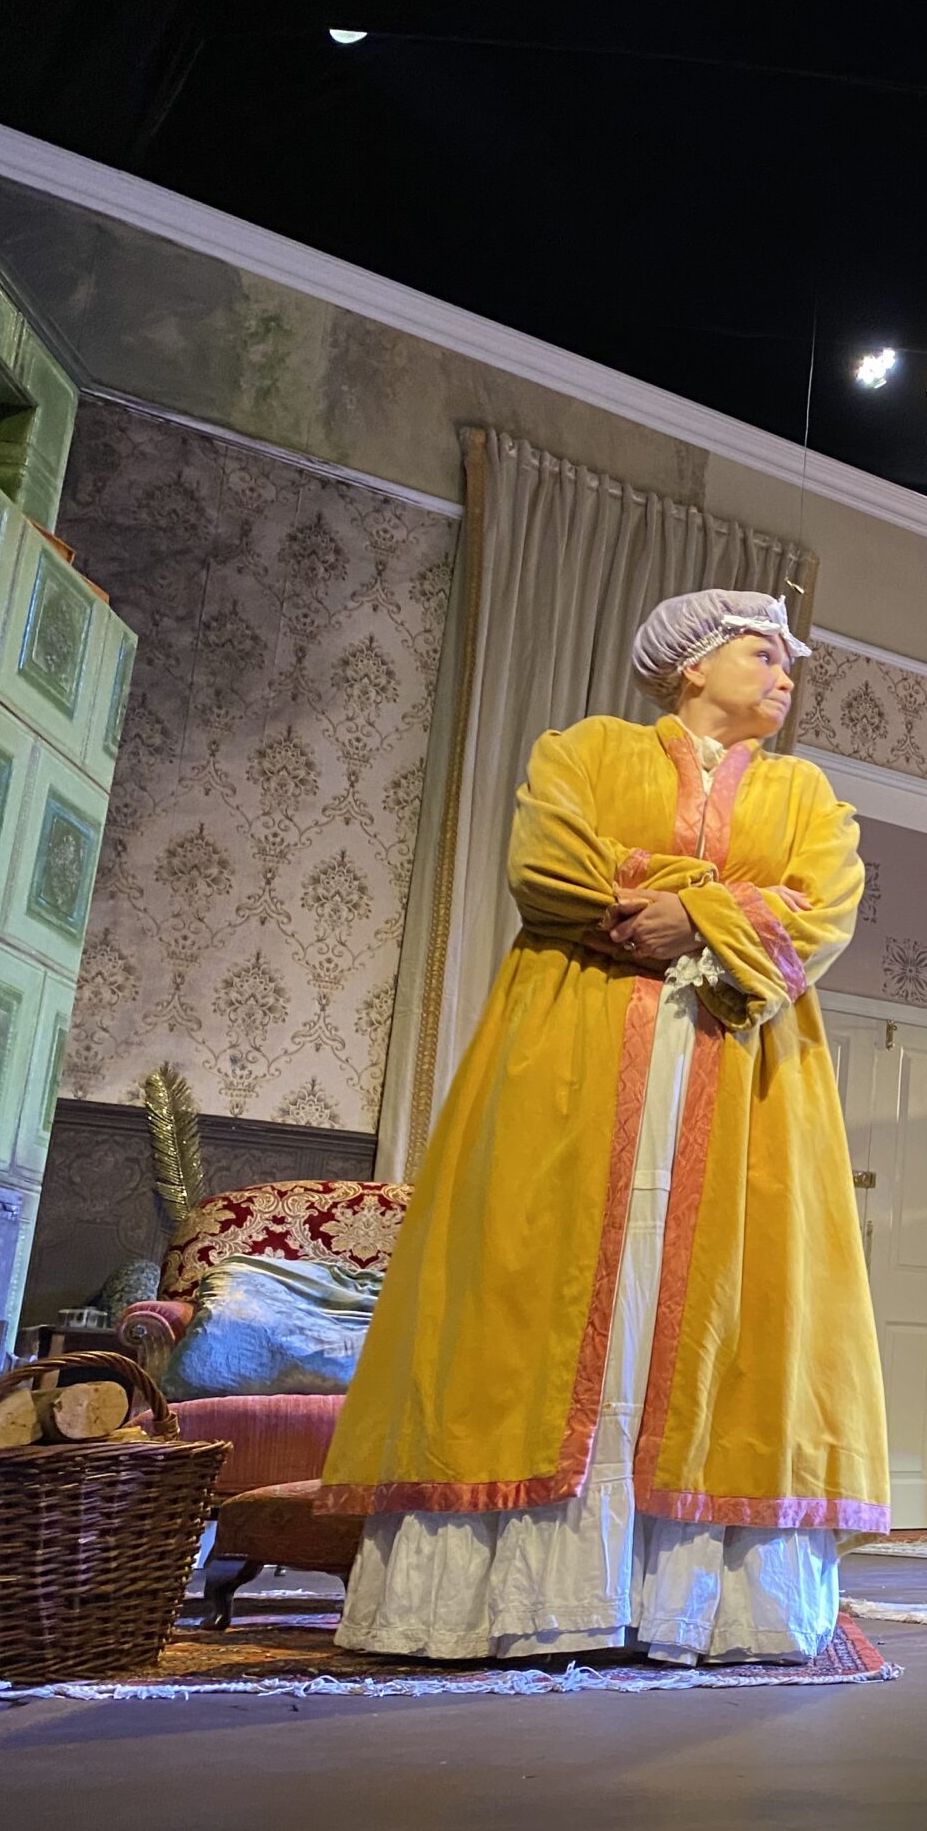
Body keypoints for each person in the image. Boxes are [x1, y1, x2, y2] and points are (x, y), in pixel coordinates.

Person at [320, 588, 885, 1663]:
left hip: (744, 1071)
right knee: (543, 1284)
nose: (785, 676)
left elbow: (824, 907)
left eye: (787, 662)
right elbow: (550, 871)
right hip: (571, 1052)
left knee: (726, 1304)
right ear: (692, 665)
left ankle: (693, 1604)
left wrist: (690, 910)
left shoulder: (805, 792)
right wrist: (725, 899)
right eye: (763, 654)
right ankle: (525, 1595)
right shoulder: (581, 752)